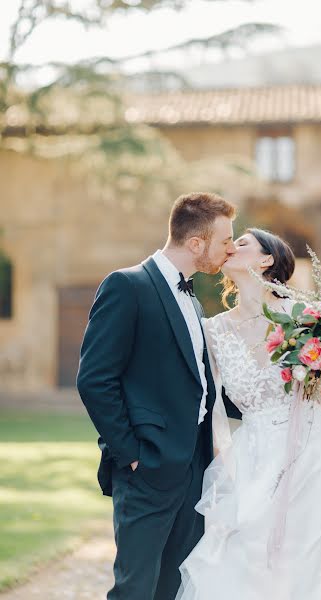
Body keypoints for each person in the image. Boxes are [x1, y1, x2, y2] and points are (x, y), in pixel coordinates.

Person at [177, 228, 321, 600]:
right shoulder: (212, 330)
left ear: (266, 260)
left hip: (313, 454)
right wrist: (221, 466)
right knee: (243, 557)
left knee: (311, 562)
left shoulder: (307, 316)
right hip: (252, 458)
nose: (231, 247)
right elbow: (214, 405)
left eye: (243, 244)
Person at [76, 192, 239, 600]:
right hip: (146, 468)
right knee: (135, 589)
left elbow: (201, 384)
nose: (230, 249)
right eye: (225, 241)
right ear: (197, 243)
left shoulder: (195, 303)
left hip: (196, 470)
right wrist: (131, 452)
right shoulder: (126, 286)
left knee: (176, 588)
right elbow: (95, 379)